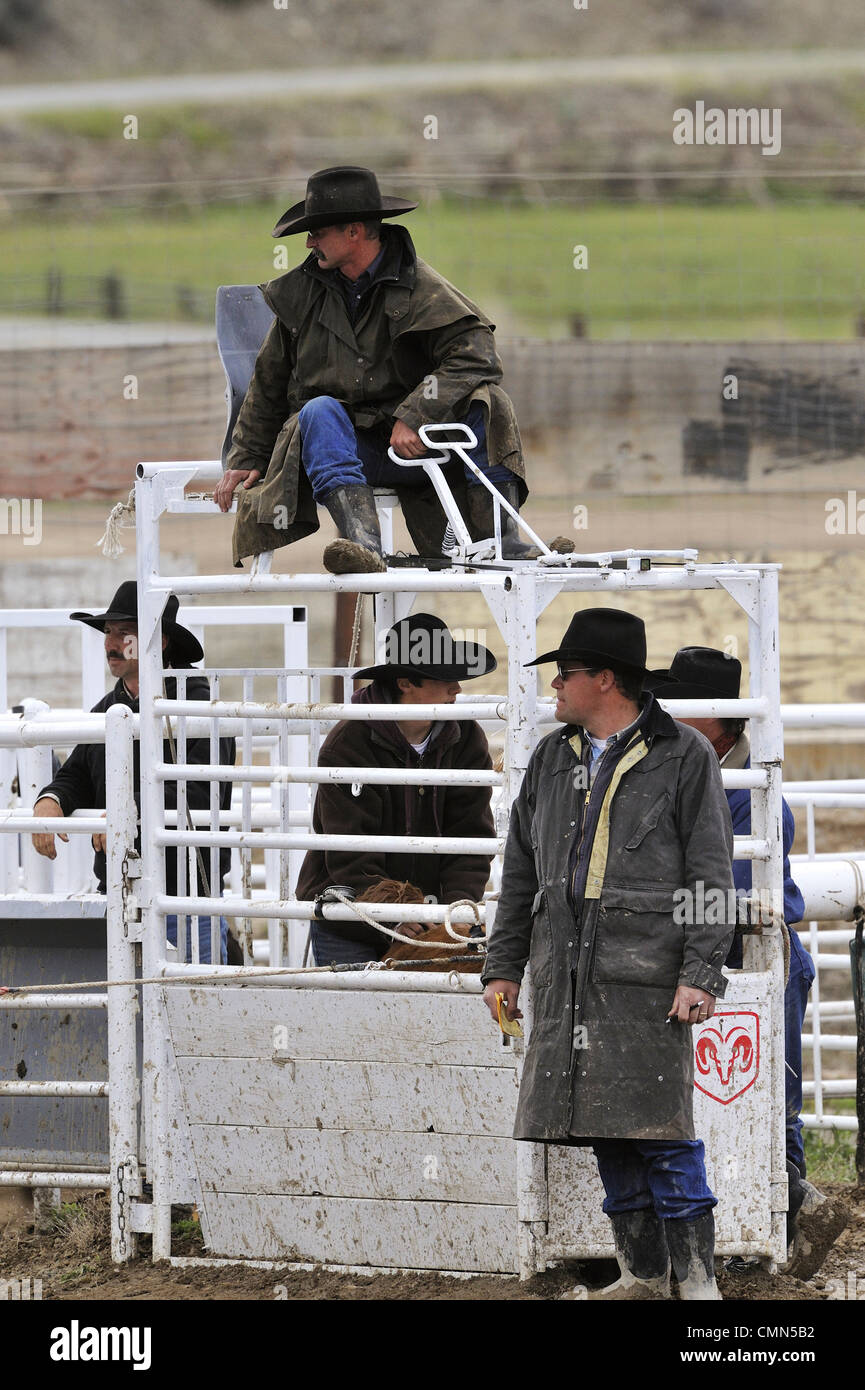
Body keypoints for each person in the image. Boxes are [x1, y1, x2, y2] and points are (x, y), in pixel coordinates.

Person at [480, 608, 735, 1301]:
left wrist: (699, 973)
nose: (554, 685)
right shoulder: (550, 758)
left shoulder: (684, 756)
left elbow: (710, 875)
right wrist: (502, 965)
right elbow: (521, 872)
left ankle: (698, 1284)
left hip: (646, 978)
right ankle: (644, 1277)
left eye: (565, 673)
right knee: (604, 1127)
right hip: (567, 976)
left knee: (661, 1130)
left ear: (605, 679)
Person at [214, 165, 540, 569]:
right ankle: (364, 546)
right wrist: (246, 457)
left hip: (424, 450)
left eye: (318, 232)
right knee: (317, 412)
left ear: (354, 232)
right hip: (344, 450)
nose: (309, 243)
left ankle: (501, 538)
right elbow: (267, 383)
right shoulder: (299, 295)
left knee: (490, 401)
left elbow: (478, 353)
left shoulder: (423, 287)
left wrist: (417, 415)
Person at [649, 646, 822, 1264]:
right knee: (756, 1088)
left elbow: (734, 901)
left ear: (715, 719)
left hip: (747, 957)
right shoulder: (724, 776)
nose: (663, 709)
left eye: (679, 700)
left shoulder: (746, 792)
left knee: (769, 1095)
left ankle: (786, 1206)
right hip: (729, 957)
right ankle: (780, 1212)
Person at [31, 581, 236, 964]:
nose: (111, 643)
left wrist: (129, 811)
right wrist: (52, 799)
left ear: (157, 643)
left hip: (183, 893)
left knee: (185, 1010)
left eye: (124, 632)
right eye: (108, 632)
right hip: (122, 891)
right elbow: (77, 772)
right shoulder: (109, 708)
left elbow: (198, 793)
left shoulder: (199, 705)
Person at [295, 613, 496, 966]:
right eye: (444, 679)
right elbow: (348, 852)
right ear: (406, 683)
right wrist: (393, 912)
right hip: (354, 920)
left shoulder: (466, 739)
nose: (457, 689)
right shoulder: (349, 743)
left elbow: (471, 837)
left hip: (433, 920)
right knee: (353, 1012)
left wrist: (455, 909)